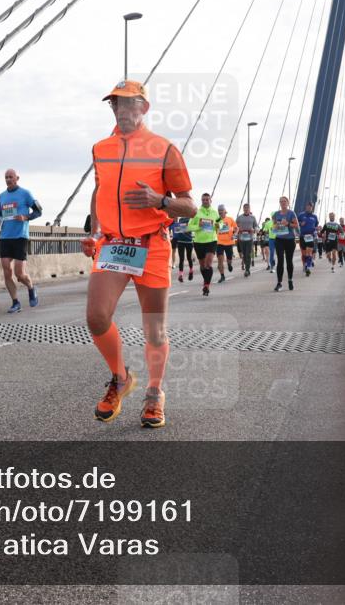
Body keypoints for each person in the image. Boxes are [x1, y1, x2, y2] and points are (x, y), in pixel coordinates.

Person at [82, 79, 195, 428]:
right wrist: (94, 231)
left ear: (143, 108)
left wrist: (159, 201)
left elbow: (189, 206)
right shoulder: (101, 148)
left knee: (155, 331)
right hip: (114, 243)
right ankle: (120, 378)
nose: (121, 110)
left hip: (152, 244)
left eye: (129, 104)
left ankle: (154, 394)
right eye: (115, 104)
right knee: (96, 317)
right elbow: (99, 190)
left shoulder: (164, 149)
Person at [0, 168, 42, 314]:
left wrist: (25, 217)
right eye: (6, 177)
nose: (8, 179)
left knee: (19, 274)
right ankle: (15, 302)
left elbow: (39, 211)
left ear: (17, 178)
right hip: (5, 237)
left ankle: (31, 287)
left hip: (20, 236)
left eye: (11, 177)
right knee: (7, 272)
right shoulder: (1, 196)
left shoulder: (26, 194)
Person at [187, 193, 221, 297]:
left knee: (208, 264)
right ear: (201, 201)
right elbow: (189, 227)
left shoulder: (215, 213)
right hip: (198, 242)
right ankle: (206, 282)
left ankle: (206, 285)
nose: (205, 201)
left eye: (207, 199)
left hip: (211, 240)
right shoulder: (196, 213)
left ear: (211, 201)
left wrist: (218, 225)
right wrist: (198, 226)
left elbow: (221, 223)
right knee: (202, 266)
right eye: (203, 200)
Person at [270, 197, 299, 291]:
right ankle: (279, 283)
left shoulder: (291, 213)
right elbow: (273, 226)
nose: (283, 203)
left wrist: (287, 224)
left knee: (289, 261)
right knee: (280, 260)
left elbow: (296, 225)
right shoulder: (276, 214)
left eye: (284, 201)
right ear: (279, 203)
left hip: (290, 240)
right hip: (279, 239)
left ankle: (290, 280)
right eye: (281, 201)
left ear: (288, 203)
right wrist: (276, 226)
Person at [215, 204, 237, 283]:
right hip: (219, 242)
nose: (220, 212)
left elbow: (236, 228)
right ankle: (222, 276)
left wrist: (234, 234)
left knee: (229, 259)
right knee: (220, 260)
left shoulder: (230, 219)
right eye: (219, 211)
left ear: (225, 211)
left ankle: (229, 264)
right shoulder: (217, 220)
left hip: (229, 242)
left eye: (222, 210)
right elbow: (214, 230)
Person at [235, 203, 258, 277]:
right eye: (245, 208)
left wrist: (253, 230)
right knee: (244, 255)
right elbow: (235, 227)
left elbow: (257, 227)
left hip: (249, 238)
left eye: (247, 208)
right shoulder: (239, 218)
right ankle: (247, 266)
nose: (246, 210)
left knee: (248, 254)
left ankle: (247, 269)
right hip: (241, 238)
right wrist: (238, 230)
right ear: (243, 209)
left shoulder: (253, 217)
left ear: (249, 209)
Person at [296, 201, 319, 276]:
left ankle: (308, 267)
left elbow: (315, 225)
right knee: (304, 254)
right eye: (308, 206)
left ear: (312, 208)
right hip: (302, 236)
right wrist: (300, 224)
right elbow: (295, 223)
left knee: (309, 252)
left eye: (310, 207)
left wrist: (317, 228)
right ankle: (304, 265)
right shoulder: (301, 215)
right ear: (306, 207)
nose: (309, 208)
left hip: (310, 236)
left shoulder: (314, 217)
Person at [170, 216, 194, 283]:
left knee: (189, 258)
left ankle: (191, 271)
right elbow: (178, 230)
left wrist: (183, 229)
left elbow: (192, 228)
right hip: (180, 242)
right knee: (181, 259)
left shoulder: (191, 219)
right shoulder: (180, 219)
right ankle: (180, 275)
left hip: (189, 241)